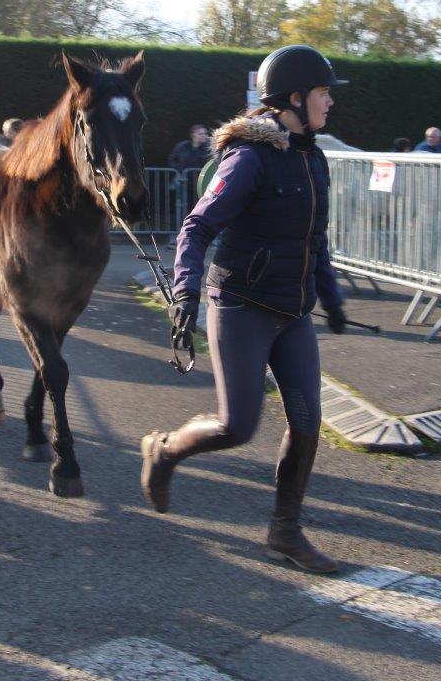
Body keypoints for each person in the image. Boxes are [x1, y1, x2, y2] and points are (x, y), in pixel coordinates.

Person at [141, 44, 349, 574]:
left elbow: (314, 239)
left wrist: (330, 294)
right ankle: (164, 452)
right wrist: (184, 290)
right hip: (241, 306)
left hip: (293, 311)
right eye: (325, 94)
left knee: (307, 420)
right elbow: (197, 226)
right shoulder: (249, 158)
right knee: (238, 426)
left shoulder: (313, 157)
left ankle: (285, 532)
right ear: (296, 99)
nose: (331, 104)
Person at [167, 125, 212, 247]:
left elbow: (212, 163)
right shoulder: (182, 147)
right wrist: (180, 171)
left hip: (200, 185)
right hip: (183, 183)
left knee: (199, 210)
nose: (204, 136)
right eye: (201, 134)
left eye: (205, 133)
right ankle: (175, 237)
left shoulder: (208, 148)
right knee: (180, 209)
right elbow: (172, 159)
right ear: (193, 135)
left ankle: (199, 237)